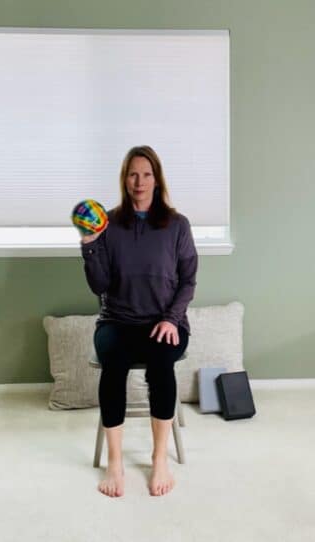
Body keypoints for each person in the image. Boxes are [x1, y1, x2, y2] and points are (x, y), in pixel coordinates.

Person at [80, 145, 198, 498]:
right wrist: (89, 245)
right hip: (117, 321)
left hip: (165, 321)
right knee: (113, 365)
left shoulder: (177, 225)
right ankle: (115, 463)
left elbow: (188, 280)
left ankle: (159, 458)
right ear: (124, 179)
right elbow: (99, 285)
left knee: (161, 365)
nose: (140, 181)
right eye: (133, 174)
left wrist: (172, 319)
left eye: (147, 174)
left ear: (157, 179)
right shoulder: (109, 224)